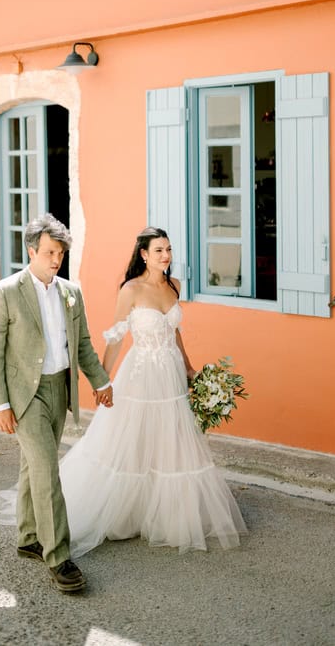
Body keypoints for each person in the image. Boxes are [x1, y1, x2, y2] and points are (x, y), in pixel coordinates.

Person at [58, 226, 247, 556]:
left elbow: (175, 333)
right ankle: (122, 510)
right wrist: (102, 380)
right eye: (159, 250)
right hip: (141, 374)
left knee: (170, 440)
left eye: (169, 249)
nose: (166, 256)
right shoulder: (130, 290)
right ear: (144, 255)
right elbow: (116, 338)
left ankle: (164, 513)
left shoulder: (175, 286)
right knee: (133, 438)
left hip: (170, 374)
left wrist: (188, 368)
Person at [0, 213, 113, 593]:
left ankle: (28, 537)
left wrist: (101, 381)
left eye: (61, 253)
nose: (56, 259)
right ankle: (58, 557)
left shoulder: (72, 292)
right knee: (47, 470)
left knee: (32, 467)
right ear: (32, 250)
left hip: (59, 390)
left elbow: (82, 344)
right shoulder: (4, 292)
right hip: (24, 395)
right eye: (50, 252)